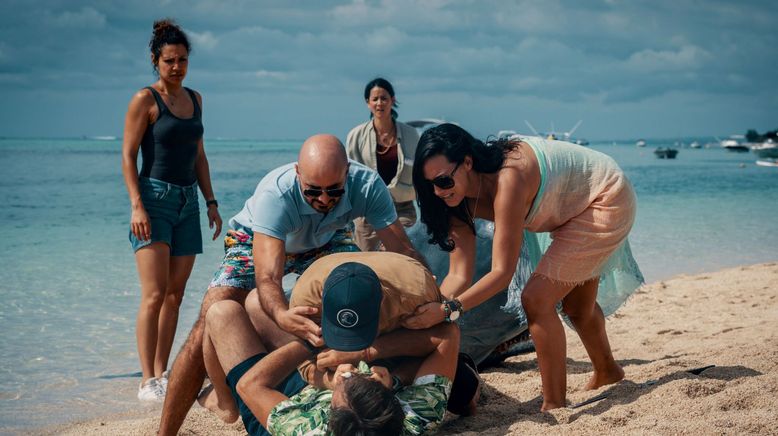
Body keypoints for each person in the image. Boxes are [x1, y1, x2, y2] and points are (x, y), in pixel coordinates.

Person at [159, 134, 429, 434]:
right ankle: (183, 421)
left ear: (347, 175)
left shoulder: (367, 185)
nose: (324, 199)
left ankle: (328, 377)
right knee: (214, 308)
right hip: (257, 239)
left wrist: (437, 303)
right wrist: (281, 315)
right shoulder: (275, 194)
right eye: (313, 191)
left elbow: (403, 252)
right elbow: (268, 277)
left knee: (353, 294)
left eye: (334, 191)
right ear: (298, 174)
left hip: (326, 238)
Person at [405, 123, 644, 411]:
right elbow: (459, 273)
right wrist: (430, 309)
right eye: (429, 185)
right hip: (566, 208)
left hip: (604, 196)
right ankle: (608, 372)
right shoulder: (453, 199)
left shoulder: (509, 179)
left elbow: (502, 272)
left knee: (536, 300)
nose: (438, 192)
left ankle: (554, 405)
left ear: (467, 162)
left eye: (443, 181)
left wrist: (447, 311)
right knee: (577, 308)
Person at [197, 252, 479, 422]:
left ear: (334, 414)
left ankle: (224, 403)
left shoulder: (306, 428)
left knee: (223, 311)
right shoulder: (415, 418)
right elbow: (446, 334)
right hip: (387, 366)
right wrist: (379, 368)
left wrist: (317, 352)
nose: (356, 377)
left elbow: (251, 386)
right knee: (463, 387)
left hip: (281, 393)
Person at [121, 18, 222, 402]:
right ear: (155, 61)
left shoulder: (196, 100)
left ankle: (161, 373)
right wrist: (137, 206)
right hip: (153, 199)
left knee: (176, 295)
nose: (176, 67)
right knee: (154, 294)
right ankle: (147, 379)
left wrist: (210, 202)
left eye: (182, 60)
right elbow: (129, 157)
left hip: (187, 202)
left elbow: (199, 155)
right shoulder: (144, 100)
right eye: (169, 61)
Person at [346, 78, 420, 251]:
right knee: (368, 265)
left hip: (402, 209)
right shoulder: (355, 136)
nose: (380, 103)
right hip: (367, 211)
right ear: (368, 103)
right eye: (375, 99)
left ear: (392, 100)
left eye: (384, 98)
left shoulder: (411, 134)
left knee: (398, 256)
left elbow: (420, 173)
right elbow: (348, 177)